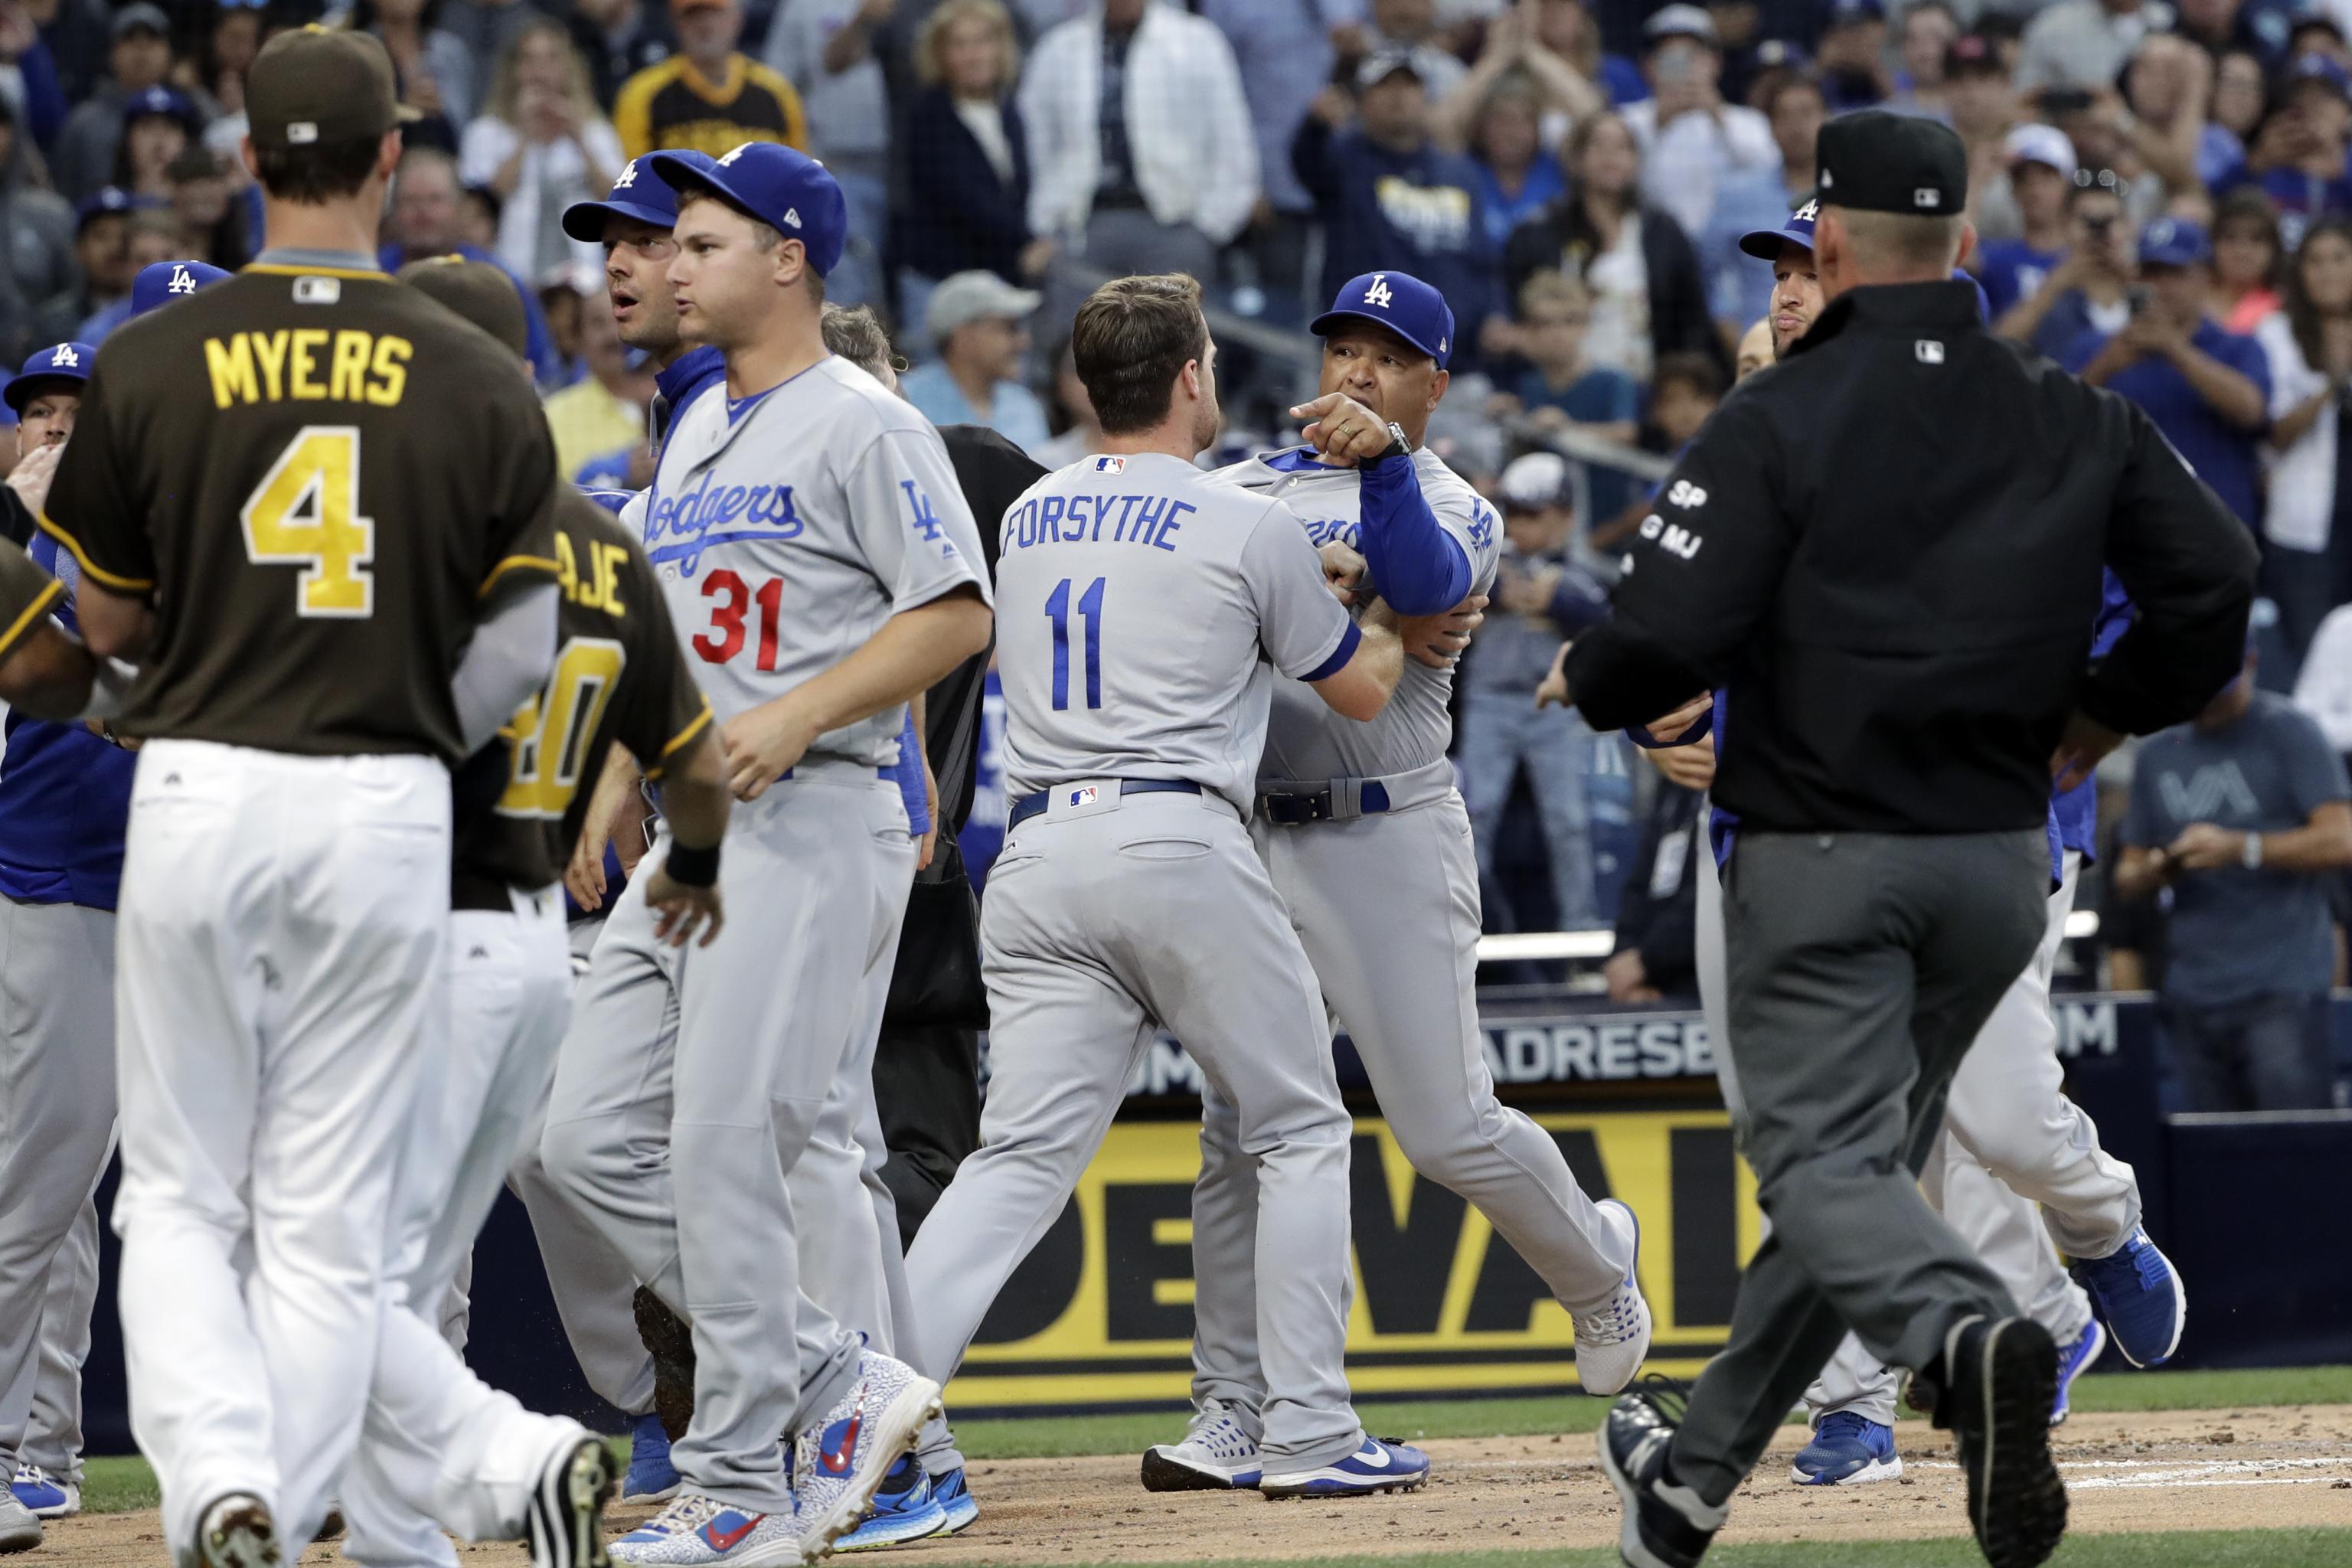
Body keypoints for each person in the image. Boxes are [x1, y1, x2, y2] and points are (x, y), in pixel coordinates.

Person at [1565, 110, 2257, 1568]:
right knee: (1870, 1155)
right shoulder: (2070, 407)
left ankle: (1963, 1346)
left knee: (1818, 1161)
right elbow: (2219, 578)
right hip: (2000, 858)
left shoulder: (1781, 413)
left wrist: (1604, 681)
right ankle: (1691, 1480)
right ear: (1960, 241)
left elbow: (1656, 634)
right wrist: (2100, 719)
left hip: (1824, 852)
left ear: (1829, 244)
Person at [37, 26, 619, 1566]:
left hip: (204, 782)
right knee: (320, 1217)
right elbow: (526, 638)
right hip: (385, 803)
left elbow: (93, 631)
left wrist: (135, 693)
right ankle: (481, 1456)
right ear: (388, 162)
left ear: (242, 162)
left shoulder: (150, 354)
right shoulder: (477, 368)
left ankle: (227, 1484)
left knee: (175, 1194)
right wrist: (414, 731)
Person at [900, 271, 1432, 1502]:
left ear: (1090, 386)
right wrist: (1394, 611)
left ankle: (867, 1415)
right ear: (1194, 375)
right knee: (1296, 1123)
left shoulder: (1026, 515)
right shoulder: (1236, 520)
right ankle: (1306, 1429)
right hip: (1175, 839)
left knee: (1012, 1163)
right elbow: (1360, 690)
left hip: (1035, 858)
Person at [541, 140, 991, 1566]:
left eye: (700, 241)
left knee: (733, 1146)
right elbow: (673, 639)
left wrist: (798, 713)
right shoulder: (697, 428)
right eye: (670, 243)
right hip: (697, 825)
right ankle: (833, 1373)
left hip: (809, 815)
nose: (667, 262)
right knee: (585, 1134)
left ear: (787, 255)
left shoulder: (862, 419)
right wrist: (616, 776)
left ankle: (741, 1480)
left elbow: (956, 612)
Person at [1135, 270, 1648, 1496]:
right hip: (1254, 831)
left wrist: (1377, 495)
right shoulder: (1241, 485)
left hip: (1388, 829)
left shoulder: (1450, 496)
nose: (1357, 370)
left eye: (1387, 354)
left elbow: (1422, 591)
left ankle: (1598, 1274)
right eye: (1342, 348)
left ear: (1434, 383)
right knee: (1236, 1131)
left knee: (1445, 1125)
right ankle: (1233, 1408)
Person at [335, 250, 731, 1568]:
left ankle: (507, 1459)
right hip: (526, 919)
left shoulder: (416, 523)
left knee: (389, 1226)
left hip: (441, 909)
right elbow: (677, 728)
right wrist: (681, 843)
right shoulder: (600, 525)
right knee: (501, 1192)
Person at [2117, 650, 2352, 1111]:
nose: (2210, 704)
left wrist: (2242, 848)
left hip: (2283, 985)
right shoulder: (2158, 753)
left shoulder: (2290, 731)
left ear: (2251, 661)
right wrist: (2165, 865)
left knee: (2292, 1150)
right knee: (2207, 1159)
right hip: (2192, 988)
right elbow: (2126, 876)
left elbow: (2341, 839)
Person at [1456, 448, 1611, 930]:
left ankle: (1581, 938)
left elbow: (1606, 623)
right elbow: (1449, 588)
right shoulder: (1485, 559)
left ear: (1563, 517)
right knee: (1475, 817)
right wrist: (1500, 593)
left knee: (1567, 824)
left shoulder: (1578, 572)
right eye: (1513, 512)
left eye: (1532, 514)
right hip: (1490, 702)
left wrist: (1558, 599)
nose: (1519, 524)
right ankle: (1469, 938)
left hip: (1554, 708)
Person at [1018, 0, 1258, 292]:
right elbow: (1034, 144)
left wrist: (1209, 229)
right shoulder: (1059, 47)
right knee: (1079, 337)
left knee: (1174, 337)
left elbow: (1231, 138)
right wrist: (1046, 225)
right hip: (1082, 227)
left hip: (1174, 225)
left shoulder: (1197, 41)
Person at [2062, 218, 2272, 532]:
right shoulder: (2096, 346)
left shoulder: (2238, 347)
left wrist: (2176, 350)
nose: (2161, 285)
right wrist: (2107, 364)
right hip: (2122, 536)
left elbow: (2252, 412)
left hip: (2217, 535)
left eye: (2175, 273)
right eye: (2151, 272)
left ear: (2204, 277)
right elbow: (2058, 422)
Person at [1295, 53, 1501, 368]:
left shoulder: (1460, 172)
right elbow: (1306, 163)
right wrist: (1316, 126)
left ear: (1426, 98)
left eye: (1409, 86)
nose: (1399, 96)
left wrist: (1495, 314)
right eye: (1384, 86)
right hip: (1367, 356)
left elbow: (1483, 259)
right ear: (1362, 102)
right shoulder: (1346, 162)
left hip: (1455, 361)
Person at [1503, 109, 1724, 387]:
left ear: (1636, 160)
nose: (1610, 157)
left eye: (1621, 147)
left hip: (1646, 387)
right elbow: (1519, 314)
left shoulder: (1662, 231)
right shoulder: (1538, 232)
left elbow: (1691, 318)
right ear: (1577, 159)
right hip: (1561, 390)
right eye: (1598, 146)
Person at [897, 0, 1041, 344]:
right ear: (940, 54)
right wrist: (1028, 242)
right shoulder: (927, 114)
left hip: (1001, 282)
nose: (974, 54)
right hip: (941, 284)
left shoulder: (1011, 111)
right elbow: (964, 196)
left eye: (983, 41)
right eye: (960, 45)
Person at [458, 18, 625, 282]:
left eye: (551, 59)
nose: (540, 70)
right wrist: (524, 138)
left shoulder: (595, 131)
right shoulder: (485, 133)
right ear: (512, 69)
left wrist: (580, 140)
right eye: (529, 60)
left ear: (568, 68)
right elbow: (477, 212)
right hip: (508, 274)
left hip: (586, 278)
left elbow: (619, 203)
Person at [381, 145, 563, 382]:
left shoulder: (497, 280)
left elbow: (543, 370)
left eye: (435, 200)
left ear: (459, 207)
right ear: (393, 209)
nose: (422, 212)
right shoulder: (373, 273)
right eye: (411, 200)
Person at [2260, 215, 2352, 661]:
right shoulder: (2277, 335)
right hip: (2304, 531)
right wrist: (2332, 382)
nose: (2329, 271)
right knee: (2313, 657)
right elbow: (2273, 434)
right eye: (2315, 261)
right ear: (2300, 272)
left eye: (2340, 258)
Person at [763, 0, 894, 308]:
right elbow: (775, 89)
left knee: (901, 285)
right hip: (837, 165)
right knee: (849, 290)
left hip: (905, 168)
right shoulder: (802, 7)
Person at [1620, 6, 1775, 247]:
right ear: (1648, 65)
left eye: (1692, 55)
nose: (1683, 66)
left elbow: (1770, 171)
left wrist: (1717, 115)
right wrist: (1659, 124)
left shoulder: (1747, 122)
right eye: (1670, 57)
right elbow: (1619, 184)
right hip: (1657, 250)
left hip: (1728, 248)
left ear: (1715, 62)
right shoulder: (1629, 121)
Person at [1495, 268, 1640, 524]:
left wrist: (1569, 428)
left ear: (1585, 325)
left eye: (1570, 321)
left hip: (1605, 523)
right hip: (1547, 525)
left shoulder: (1614, 380)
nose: (1558, 333)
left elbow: (1626, 433)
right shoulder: (1528, 384)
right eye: (1545, 323)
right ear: (1528, 329)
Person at [612, 0, 808, 160]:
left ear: (737, 18)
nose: (704, 25)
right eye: (692, 16)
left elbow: (799, 173)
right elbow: (633, 182)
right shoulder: (643, 93)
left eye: (715, 13)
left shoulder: (776, 90)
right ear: (676, 23)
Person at [900, 270, 1050, 456]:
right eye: (1009, 328)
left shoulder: (1025, 405)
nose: (1023, 342)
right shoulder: (907, 401)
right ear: (964, 338)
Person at [2217, 52, 2352, 251]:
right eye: (2300, 99)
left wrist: (2340, 166)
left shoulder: (2347, 162)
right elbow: (2219, 206)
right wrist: (2257, 163)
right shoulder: (2266, 162)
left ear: (2346, 111)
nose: (2311, 108)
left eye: (2323, 98)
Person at [1994, 168, 2136, 354]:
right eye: (2089, 221)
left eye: (2108, 220)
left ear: (2128, 226)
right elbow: (1997, 348)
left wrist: (2133, 282)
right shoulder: (2048, 288)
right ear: (2065, 225)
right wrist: (2054, 287)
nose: (2099, 231)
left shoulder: (2149, 281)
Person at [51, 2, 174, 202]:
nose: (141, 50)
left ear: (170, 52)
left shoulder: (192, 112)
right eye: (130, 39)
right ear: (111, 53)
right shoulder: (83, 123)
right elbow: (63, 196)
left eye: (152, 39)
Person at [541, 292, 654, 481]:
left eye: (621, 319)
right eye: (599, 323)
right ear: (578, 338)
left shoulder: (673, 399)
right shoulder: (554, 418)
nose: (613, 334)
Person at [1975, 124, 2077, 320]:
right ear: (2012, 188)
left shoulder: (2088, 257)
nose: (2035, 190)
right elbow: (1956, 258)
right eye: (2023, 179)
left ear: (2067, 184)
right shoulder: (1997, 256)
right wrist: (1979, 177)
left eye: (2047, 177)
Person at [2017, 0, 2176, 93]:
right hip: (2073, 139)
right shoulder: (2052, 28)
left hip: (2152, 140)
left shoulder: (2169, 21)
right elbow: (2024, 101)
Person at [2213, 188, 2284, 335]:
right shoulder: (2192, 300)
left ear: (2274, 249)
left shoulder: (2285, 308)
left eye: (2256, 239)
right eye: (2230, 238)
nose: (2242, 251)